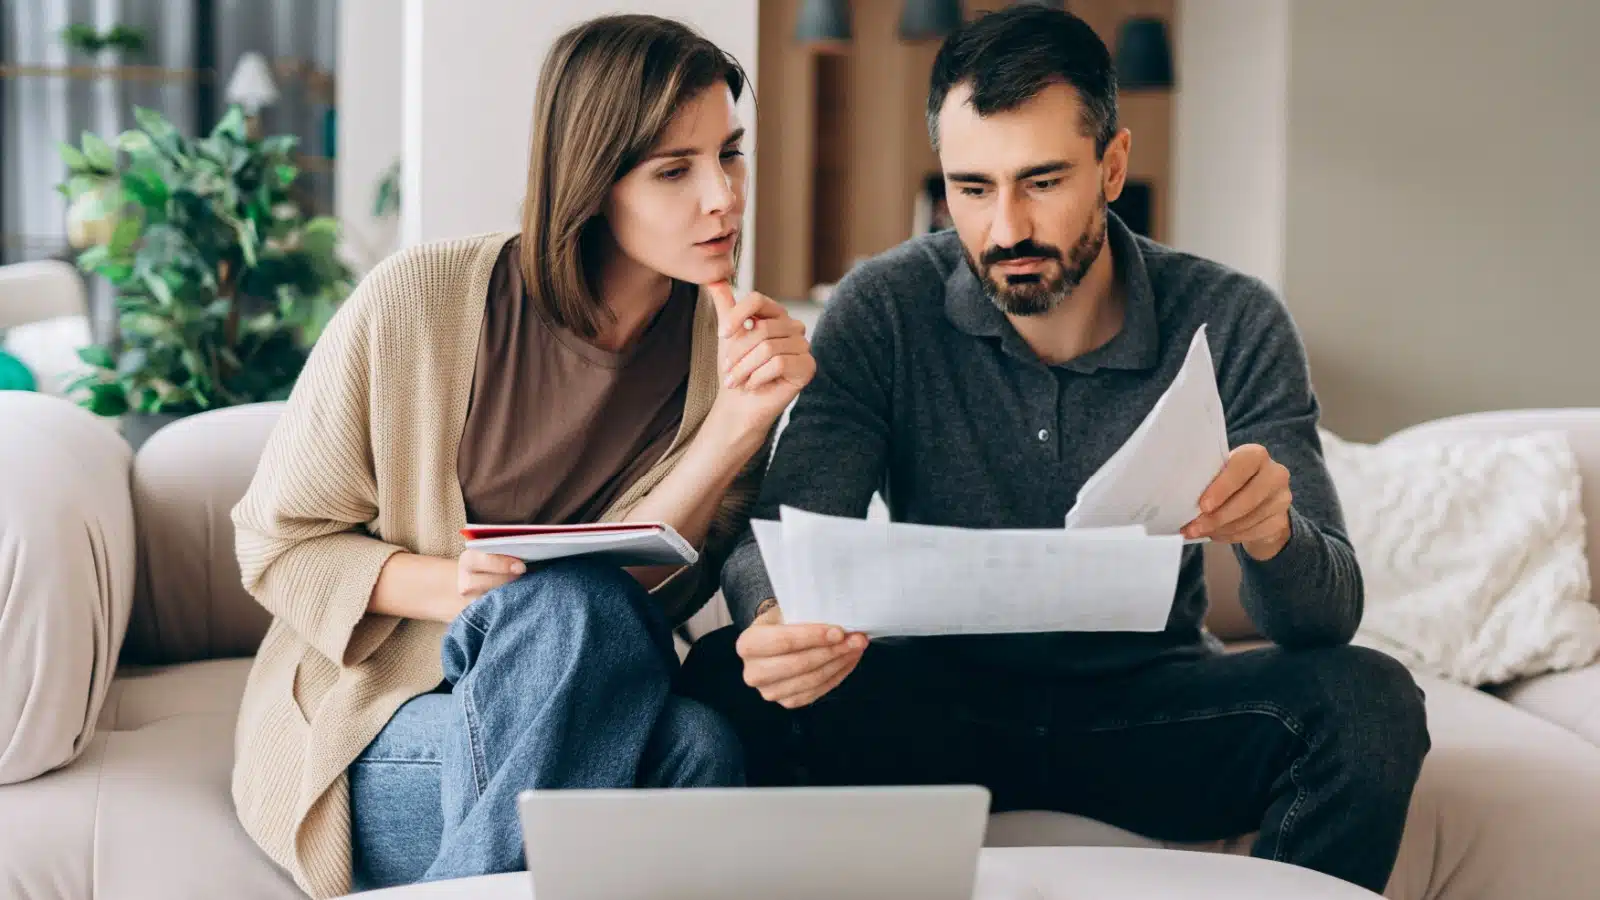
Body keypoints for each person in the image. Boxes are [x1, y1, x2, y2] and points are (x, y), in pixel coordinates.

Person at [680, 5, 1428, 894]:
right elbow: (788, 526)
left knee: (1371, 703)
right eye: (972, 188)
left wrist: (1272, 534)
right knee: (727, 678)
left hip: (1147, 710)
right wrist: (772, 620)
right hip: (932, 704)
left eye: (1042, 182)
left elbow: (1323, 618)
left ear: (1112, 166)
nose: (1005, 230)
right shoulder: (884, 308)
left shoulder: (1233, 318)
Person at [228, 15, 814, 898]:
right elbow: (276, 545)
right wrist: (458, 584)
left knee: (702, 742)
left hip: (584, 710)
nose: (724, 197)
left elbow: (663, 592)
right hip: (386, 723)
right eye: (674, 171)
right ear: (591, 182)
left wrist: (737, 428)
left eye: (729, 155)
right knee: (568, 605)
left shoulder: (723, 353)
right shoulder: (417, 303)